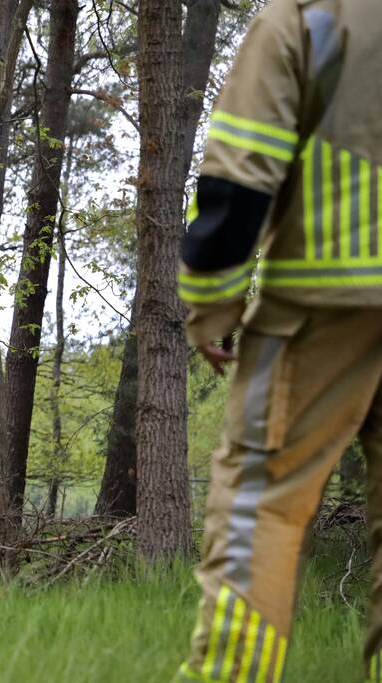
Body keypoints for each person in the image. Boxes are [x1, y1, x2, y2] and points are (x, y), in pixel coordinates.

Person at [175, 3, 382, 681]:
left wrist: (211, 302)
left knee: (259, 506)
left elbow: (235, 177)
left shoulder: (304, 18)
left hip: (322, 304)